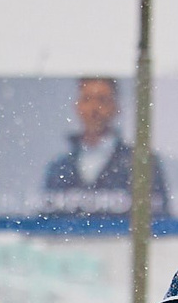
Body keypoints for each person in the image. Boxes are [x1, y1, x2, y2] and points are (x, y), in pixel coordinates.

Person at [41, 75, 170, 219]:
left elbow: (159, 222)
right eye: (87, 99)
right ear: (77, 106)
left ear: (116, 107)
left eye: (102, 100)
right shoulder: (59, 167)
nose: (94, 109)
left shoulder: (140, 163)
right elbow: (47, 221)